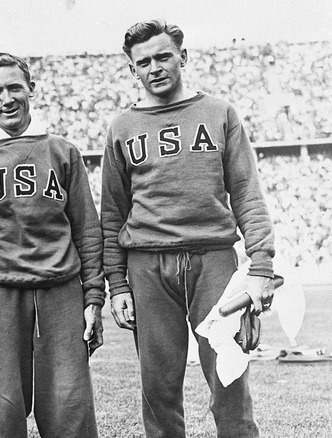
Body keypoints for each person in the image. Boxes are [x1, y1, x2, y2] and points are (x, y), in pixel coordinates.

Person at [100, 20, 275, 438]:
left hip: (213, 260)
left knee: (229, 379)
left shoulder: (218, 112)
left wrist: (262, 265)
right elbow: (112, 213)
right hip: (147, 264)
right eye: (144, 61)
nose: (155, 67)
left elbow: (247, 192)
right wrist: (117, 285)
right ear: (132, 70)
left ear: (183, 56)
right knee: (158, 389)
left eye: (163, 56)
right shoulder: (122, 127)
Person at [0, 52, 103, 438]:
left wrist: (93, 300)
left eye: (15, 87)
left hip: (60, 293)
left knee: (71, 413)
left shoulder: (64, 152)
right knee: (3, 417)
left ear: (31, 88)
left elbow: (87, 231)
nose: (7, 98)